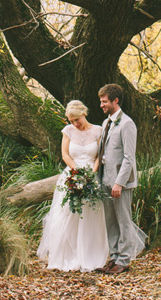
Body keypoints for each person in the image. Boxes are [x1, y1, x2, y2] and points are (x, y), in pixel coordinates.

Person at [37, 100, 108, 271]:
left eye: (77, 119)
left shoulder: (98, 130)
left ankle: (88, 254)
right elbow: (65, 155)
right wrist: (77, 172)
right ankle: (68, 255)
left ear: (84, 114)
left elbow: (99, 156)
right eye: (71, 121)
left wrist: (91, 174)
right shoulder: (68, 131)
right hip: (72, 174)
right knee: (68, 214)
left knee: (90, 214)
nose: (75, 124)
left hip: (91, 175)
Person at [97, 83, 146, 274]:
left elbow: (129, 157)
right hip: (105, 179)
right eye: (101, 101)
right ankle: (114, 257)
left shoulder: (127, 124)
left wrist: (119, 183)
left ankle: (124, 260)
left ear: (115, 100)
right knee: (110, 222)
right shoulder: (106, 123)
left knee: (123, 221)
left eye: (104, 101)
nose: (101, 105)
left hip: (121, 183)